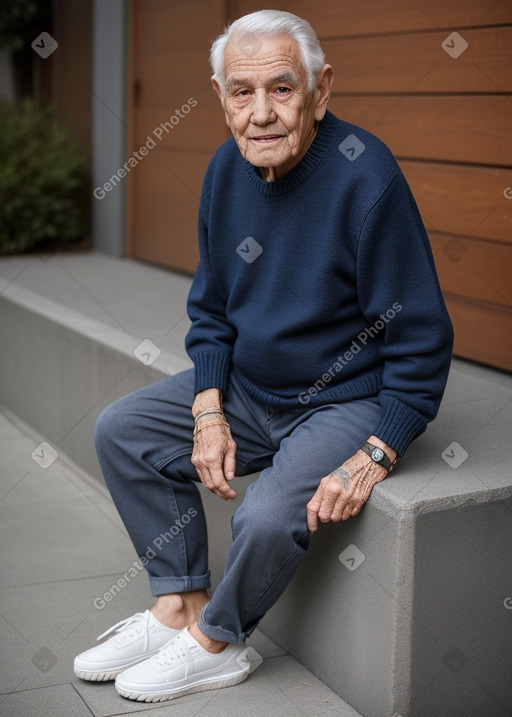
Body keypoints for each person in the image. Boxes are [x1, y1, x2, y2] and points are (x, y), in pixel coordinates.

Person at [74, 9, 453, 703]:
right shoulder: (226, 170)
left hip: (346, 396)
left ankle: (218, 640)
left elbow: (423, 336)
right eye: (241, 93)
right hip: (252, 390)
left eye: (282, 89)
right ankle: (178, 604)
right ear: (219, 97)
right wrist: (208, 405)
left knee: (267, 513)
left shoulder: (366, 176)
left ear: (320, 89)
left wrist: (378, 448)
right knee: (122, 431)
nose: (262, 114)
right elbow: (212, 309)